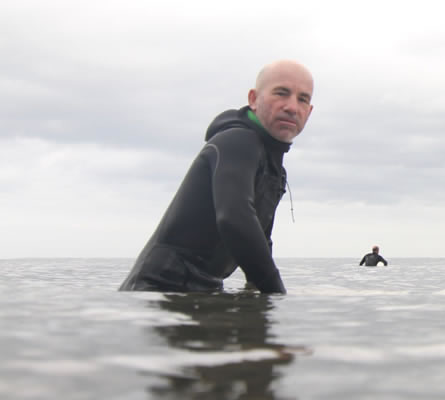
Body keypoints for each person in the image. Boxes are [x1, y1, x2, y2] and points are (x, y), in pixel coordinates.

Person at [119, 60, 315, 294]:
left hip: (204, 294)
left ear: (309, 111)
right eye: (281, 93)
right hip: (156, 294)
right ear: (253, 99)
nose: (292, 107)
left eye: (302, 99)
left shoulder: (274, 171)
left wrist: (261, 300)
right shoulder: (236, 142)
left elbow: (262, 240)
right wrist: (278, 296)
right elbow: (234, 219)